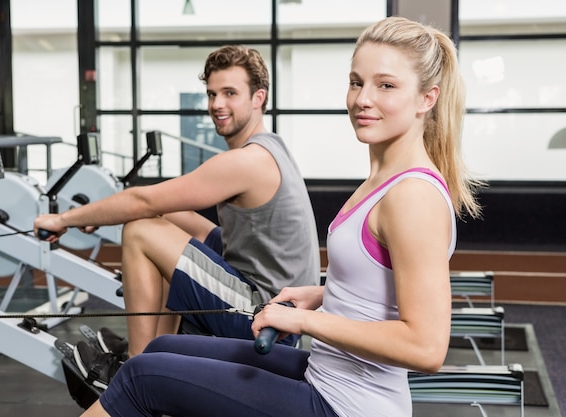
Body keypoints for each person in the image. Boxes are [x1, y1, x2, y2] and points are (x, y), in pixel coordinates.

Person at [76, 15, 484, 417]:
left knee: (141, 376)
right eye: (357, 82)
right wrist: (323, 296)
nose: (363, 99)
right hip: (328, 375)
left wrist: (306, 320)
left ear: (426, 99)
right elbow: (382, 289)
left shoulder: (411, 196)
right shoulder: (383, 180)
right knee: (163, 349)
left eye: (386, 86)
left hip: (346, 405)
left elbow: (426, 348)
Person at [34, 45, 320, 362]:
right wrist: (100, 215)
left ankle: (136, 366)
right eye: (212, 94)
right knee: (166, 215)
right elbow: (160, 205)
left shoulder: (248, 161)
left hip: (263, 316)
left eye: (230, 93)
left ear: (258, 98)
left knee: (141, 229)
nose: (217, 104)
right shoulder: (271, 146)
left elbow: (141, 200)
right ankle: (162, 345)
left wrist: (63, 220)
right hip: (270, 299)